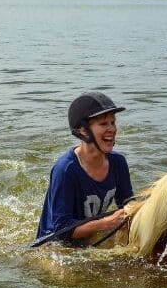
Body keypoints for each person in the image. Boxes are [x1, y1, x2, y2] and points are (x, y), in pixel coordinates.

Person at [36, 92, 133, 245]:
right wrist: (106, 223)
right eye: (103, 124)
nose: (112, 129)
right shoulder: (66, 170)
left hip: (90, 239)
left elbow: (128, 205)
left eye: (113, 122)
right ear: (83, 131)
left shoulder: (118, 163)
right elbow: (62, 231)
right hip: (54, 247)